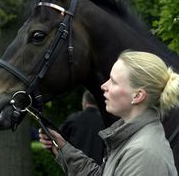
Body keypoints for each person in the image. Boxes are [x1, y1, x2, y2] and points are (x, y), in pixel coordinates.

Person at [39, 51, 179, 176]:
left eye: (114, 81)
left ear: (137, 96)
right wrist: (63, 148)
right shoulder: (132, 141)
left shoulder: (143, 154)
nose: (104, 86)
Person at [60, 90, 105, 164]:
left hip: (76, 166)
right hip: (98, 169)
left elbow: (59, 139)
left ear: (84, 102)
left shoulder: (73, 119)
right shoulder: (104, 121)